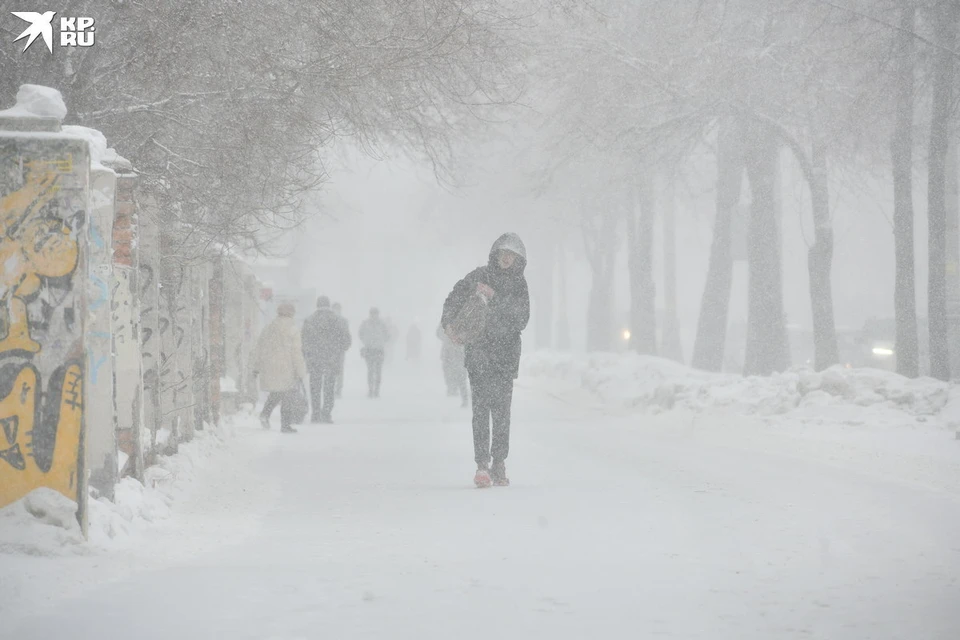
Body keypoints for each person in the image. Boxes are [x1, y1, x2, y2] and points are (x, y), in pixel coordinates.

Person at [442, 233, 529, 488]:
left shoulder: (520, 284)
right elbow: (453, 299)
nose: (506, 259)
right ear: (495, 254)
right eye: (503, 253)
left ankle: (499, 462)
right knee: (480, 412)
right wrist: (449, 324)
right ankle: (482, 465)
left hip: (505, 358)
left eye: (511, 255)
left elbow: (522, 318)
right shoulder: (478, 276)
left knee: (502, 413)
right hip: (479, 356)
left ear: (518, 260)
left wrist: (492, 302)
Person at [252, 302, 307, 433]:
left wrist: (257, 366)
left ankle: (265, 414)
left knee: (276, 393)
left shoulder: (269, 327)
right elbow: (296, 353)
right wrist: (301, 371)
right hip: (286, 367)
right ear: (291, 313)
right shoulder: (293, 329)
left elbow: (260, 348)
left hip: (270, 366)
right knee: (286, 395)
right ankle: (285, 425)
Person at [301, 296, 351, 423]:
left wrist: (307, 353)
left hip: (315, 358)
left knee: (315, 387)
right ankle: (326, 414)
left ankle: (315, 414)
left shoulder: (310, 320)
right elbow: (346, 340)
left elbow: (303, 339)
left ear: (317, 305)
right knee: (329, 387)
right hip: (332, 358)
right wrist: (339, 350)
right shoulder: (338, 320)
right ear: (329, 305)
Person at [359, 307, 390, 397]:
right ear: (370, 314)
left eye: (375, 313)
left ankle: (376, 390)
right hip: (369, 349)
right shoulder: (365, 323)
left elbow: (387, 335)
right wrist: (366, 341)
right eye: (372, 314)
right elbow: (360, 334)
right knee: (370, 370)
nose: (374, 315)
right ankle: (370, 389)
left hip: (379, 350)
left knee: (378, 371)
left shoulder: (382, 324)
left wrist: (381, 342)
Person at [438, 323, 468, 407]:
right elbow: (439, 333)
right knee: (449, 374)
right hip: (449, 355)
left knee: (461, 378)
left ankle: (464, 398)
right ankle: (452, 388)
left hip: (459, 355)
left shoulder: (462, 322)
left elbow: (467, 335)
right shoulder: (445, 323)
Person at [333, 302, 348, 398]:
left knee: (333, 370)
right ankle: (337, 389)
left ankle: (335, 388)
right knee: (338, 370)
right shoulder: (343, 320)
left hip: (333, 349)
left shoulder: (328, 319)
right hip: (338, 349)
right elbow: (347, 336)